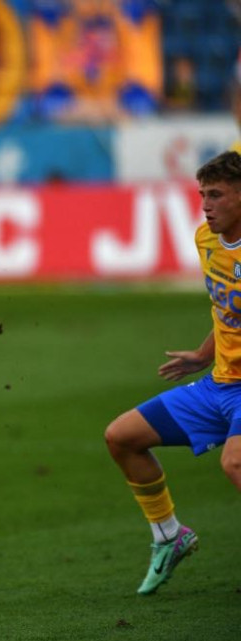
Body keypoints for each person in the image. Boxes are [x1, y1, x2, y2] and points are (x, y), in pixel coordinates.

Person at [104, 150, 241, 595]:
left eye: (216, 195)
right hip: (219, 385)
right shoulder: (206, 239)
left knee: (235, 462)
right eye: (202, 194)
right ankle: (169, 535)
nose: (206, 204)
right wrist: (204, 355)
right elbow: (228, 311)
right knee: (122, 436)